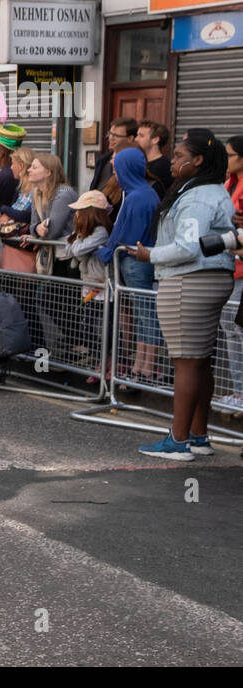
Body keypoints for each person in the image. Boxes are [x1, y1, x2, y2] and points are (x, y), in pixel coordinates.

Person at [129, 130, 234, 460]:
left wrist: (151, 256)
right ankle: (198, 436)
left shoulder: (198, 196)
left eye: (177, 156)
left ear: (198, 160)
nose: (171, 162)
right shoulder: (212, 191)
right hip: (209, 278)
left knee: (186, 362)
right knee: (200, 361)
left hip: (190, 280)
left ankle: (178, 441)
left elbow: (188, 247)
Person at [96, 148, 161, 384]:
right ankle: (140, 365)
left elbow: (128, 235)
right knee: (143, 314)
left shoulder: (139, 196)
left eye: (117, 167)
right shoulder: (139, 193)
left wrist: (104, 250)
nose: (115, 171)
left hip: (135, 262)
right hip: (133, 261)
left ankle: (146, 366)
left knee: (145, 314)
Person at [58, 191, 113, 382]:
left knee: (103, 328)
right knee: (88, 325)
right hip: (88, 285)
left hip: (102, 288)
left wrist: (77, 242)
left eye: (80, 211)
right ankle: (99, 362)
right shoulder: (83, 232)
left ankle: (106, 364)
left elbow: (76, 249)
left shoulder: (100, 232)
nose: (76, 215)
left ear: (90, 213)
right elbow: (67, 246)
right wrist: (77, 241)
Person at [218, 136, 243, 413]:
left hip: (240, 267)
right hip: (228, 265)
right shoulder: (228, 182)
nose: (226, 160)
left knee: (236, 330)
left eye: (231, 155)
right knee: (231, 330)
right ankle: (238, 391)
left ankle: (240, 392)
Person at [26, 153, 78, 274]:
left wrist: (37, 232)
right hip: (50, 255)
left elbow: (52, 232)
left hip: (68, 257)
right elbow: (33, 225)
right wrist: (37, 228)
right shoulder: (36, 193)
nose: (28, 170)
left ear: (48, 173)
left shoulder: (64, 194)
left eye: (34, 167)